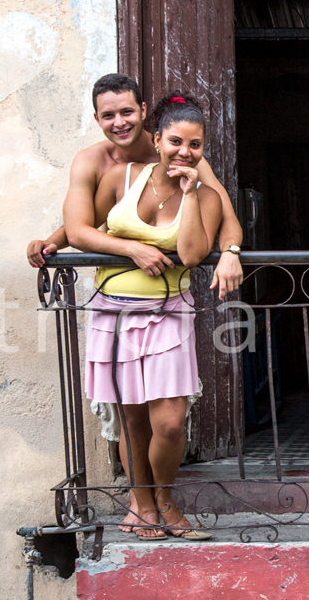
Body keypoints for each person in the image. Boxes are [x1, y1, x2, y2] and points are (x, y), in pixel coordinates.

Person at [66, 92, 222, 540]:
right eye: (175, 141)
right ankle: (144, 507)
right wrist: (128, 248)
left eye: (194, 145)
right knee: (133, 419)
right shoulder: (120, 177)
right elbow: (86, 231)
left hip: (169, 315)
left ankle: (165, 498)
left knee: (169, 422)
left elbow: (191, 254)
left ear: (202, 149)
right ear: (157, 140)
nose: (184, 152)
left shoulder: (206, 196)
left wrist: (191, 193)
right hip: (111, 315)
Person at [26, 73, 244, 301]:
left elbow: (227, 216)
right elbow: (79, 227)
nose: (119, 123)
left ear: (143, 110)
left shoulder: (178, 156)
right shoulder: (89, 161)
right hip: (113, 291)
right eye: (108, 115)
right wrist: (52, 242)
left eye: (127, 112)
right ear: (97, 119)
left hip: (168, 294)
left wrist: (231, 252)